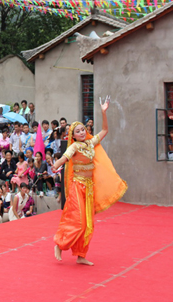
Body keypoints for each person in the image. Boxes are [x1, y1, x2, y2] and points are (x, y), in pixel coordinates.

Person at [52, 99, 127, 266]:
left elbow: (105, 130)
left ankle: (80, 254)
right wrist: (56, 165)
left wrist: (103, 112)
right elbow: (64, 158)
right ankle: (60, 244)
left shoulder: (90, 143)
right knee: (77, 221)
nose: (81, 132)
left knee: (88, 224)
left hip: (89, 187)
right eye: (77, 131)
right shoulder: (75, 147)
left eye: (82, 129)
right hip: (78, 186)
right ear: (73, 135)